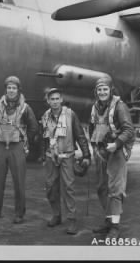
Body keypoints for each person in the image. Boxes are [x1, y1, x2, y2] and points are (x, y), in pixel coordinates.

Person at [0, 76, 38, 224]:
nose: (11, 90)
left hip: (17, 147)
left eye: (14, 88)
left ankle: (19, 213)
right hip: (1, 146)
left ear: (18, 90)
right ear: (6, 89)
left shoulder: (25, 108)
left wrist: (24, 140)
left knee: (19, 182)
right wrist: (0, 135)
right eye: (9, 88)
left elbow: (34, 127)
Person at [89, 76, 135, 239]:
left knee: (115, 190)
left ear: (110, 90)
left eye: (105, 89)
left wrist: (116, 144)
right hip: (101, 152)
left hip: (116, 152)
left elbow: (129, 130)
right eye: (99, 89)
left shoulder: (120, 107)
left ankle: (115, 226)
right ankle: (108, 221)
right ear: (96, 91)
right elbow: (92, 127)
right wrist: (94, 147)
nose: (102, 92)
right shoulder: (95, 107)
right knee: (102, 188)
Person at [41, 88, 91, 234]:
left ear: (61, 99)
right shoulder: (45, 116)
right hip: (51, 156)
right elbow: (44, 137)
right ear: (48, 101)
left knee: (68, 188)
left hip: (67, 156)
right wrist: (43, 155)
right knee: (51, 187)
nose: (55, 101)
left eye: (57, 98)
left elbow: (80, 135)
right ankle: (56, 215)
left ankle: (72, 220)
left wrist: (86, 155)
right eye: (52, 99)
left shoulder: (70, 115)